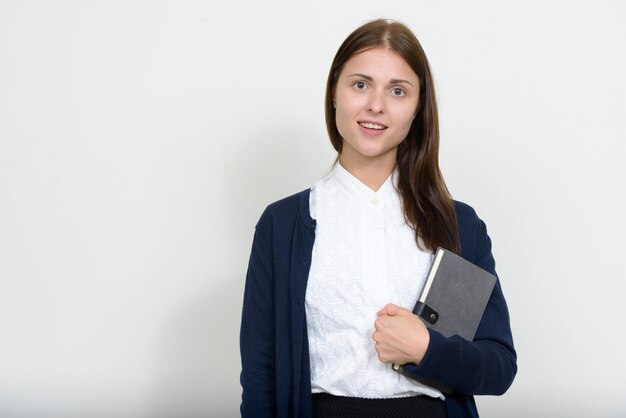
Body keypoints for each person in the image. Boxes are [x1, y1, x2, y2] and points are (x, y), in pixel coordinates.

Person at [239, 18, 516, 418]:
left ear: (418, 108)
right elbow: (261, 375)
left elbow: (497, 366)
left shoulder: (455, 226)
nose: (376, 105)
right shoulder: (284, 225)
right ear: (334, 93)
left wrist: (426, 349)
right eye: (360, 84)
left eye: (398, 91)